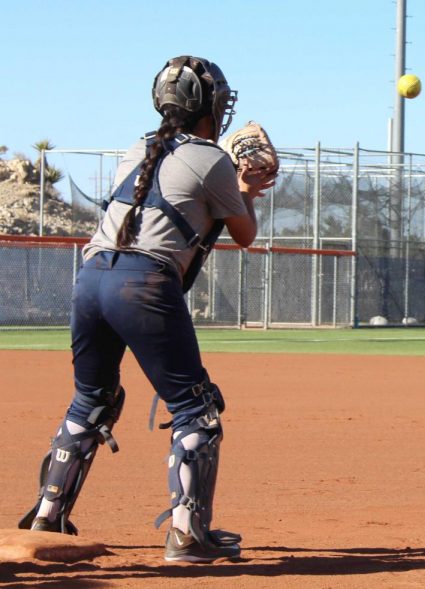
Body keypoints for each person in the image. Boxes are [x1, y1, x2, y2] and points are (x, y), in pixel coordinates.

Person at [19, 55, 276, 561]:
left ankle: (48, 515)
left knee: (91, 399)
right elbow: (244, 234)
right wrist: (245, 190)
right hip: (142, 284)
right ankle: (187, 535)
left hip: (91, 276)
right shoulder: (212, 159)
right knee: (195, 411)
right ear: (210, 106)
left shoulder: (139, 147)